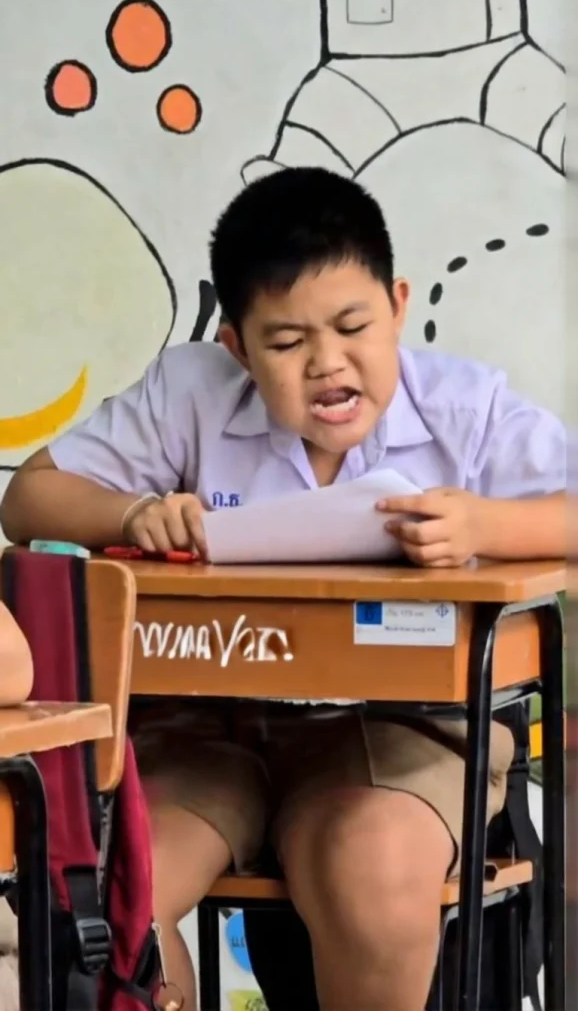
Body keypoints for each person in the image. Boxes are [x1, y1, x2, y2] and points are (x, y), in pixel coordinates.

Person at [0, 167, 565, 1011]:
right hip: (202, 728)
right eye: (287, 342)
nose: (328, 364)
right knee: (110, 903)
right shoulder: (191, 392)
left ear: (398, 306)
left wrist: (485, 526)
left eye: (353, 327)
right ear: (237, 347)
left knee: (370, 867)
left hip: (402, 729)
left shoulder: (464, 409)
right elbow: (28, 498)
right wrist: (134, 510)